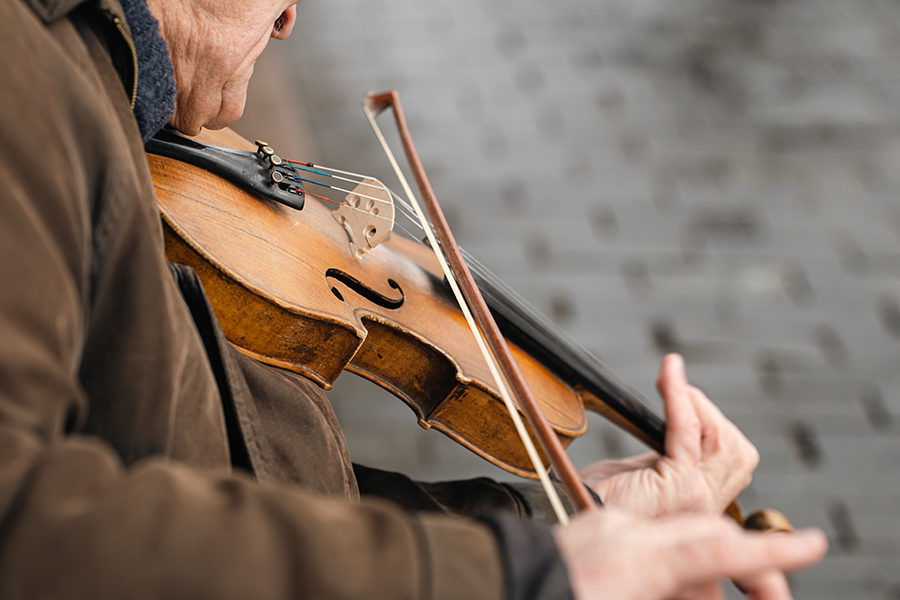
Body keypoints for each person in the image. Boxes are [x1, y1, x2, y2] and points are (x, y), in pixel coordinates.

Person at [0, 0, 827, 597]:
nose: (290, 18)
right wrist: (521, 579)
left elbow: (228, 492)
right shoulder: (23, 78)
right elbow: (27, 526)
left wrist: (550, 526)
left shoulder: (106, 91)